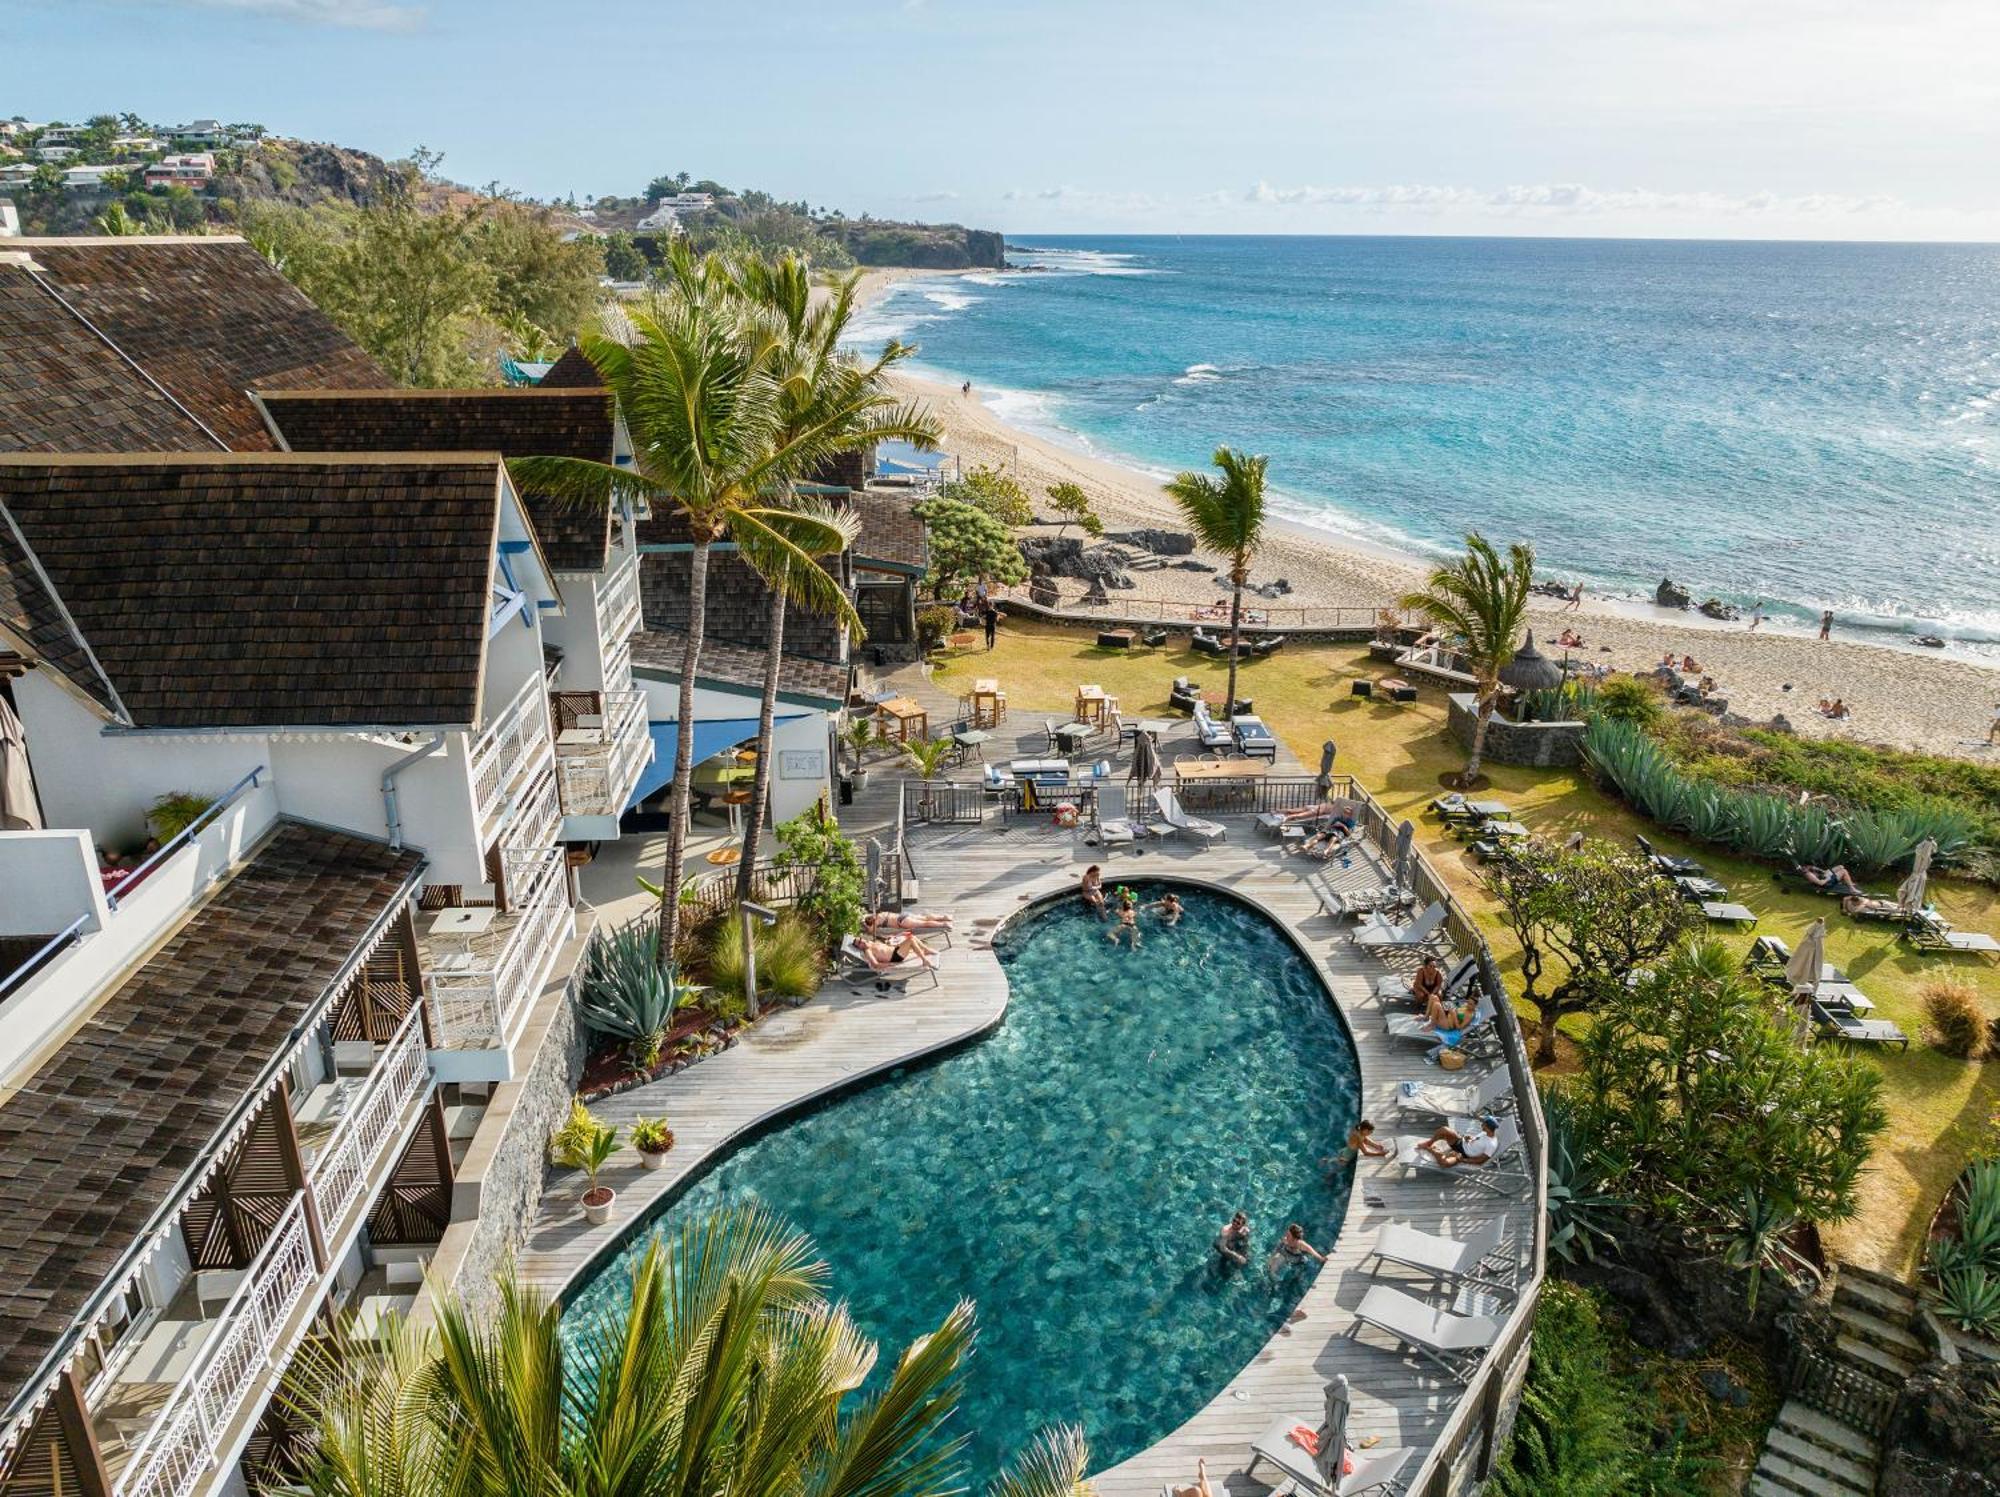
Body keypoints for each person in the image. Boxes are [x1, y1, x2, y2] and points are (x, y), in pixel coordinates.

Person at [1417, 1116, 1502, 1169]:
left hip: (1463, 1155)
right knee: (1444, 1129)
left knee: (1444, 1163)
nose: (1481, 1124)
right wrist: (1469, 1138)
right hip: (1462, 1143)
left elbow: (1480, 1160)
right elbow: (1477, 1141)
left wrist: (1463, 1160)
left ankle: (1431, 1150)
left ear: (1487, 1127)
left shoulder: (1491, 1144)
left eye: (1483, 1123)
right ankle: (1429, 1143)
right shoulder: (1485, 1132)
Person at [855, 931, 938, 972]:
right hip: (895, 956)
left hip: (895, 949)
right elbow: (875, 964)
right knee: (911, 940)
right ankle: (924, 959)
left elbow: (884, 946)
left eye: (861, 939)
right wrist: (891, 965)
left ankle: (925, 949)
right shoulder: (867, 951)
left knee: (910, 936)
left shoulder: (870, 942)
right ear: (859, 947)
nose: (862, 941)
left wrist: (890, 941)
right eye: (859, 943)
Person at [864, 909, 954, 935]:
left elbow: (871, 931)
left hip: (902, 921)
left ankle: (944, 924)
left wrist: (866, 926)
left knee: (924, 924)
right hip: (903, 915)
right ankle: (944, 917)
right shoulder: (881, 913)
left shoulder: (877, 920)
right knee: (925, 918)